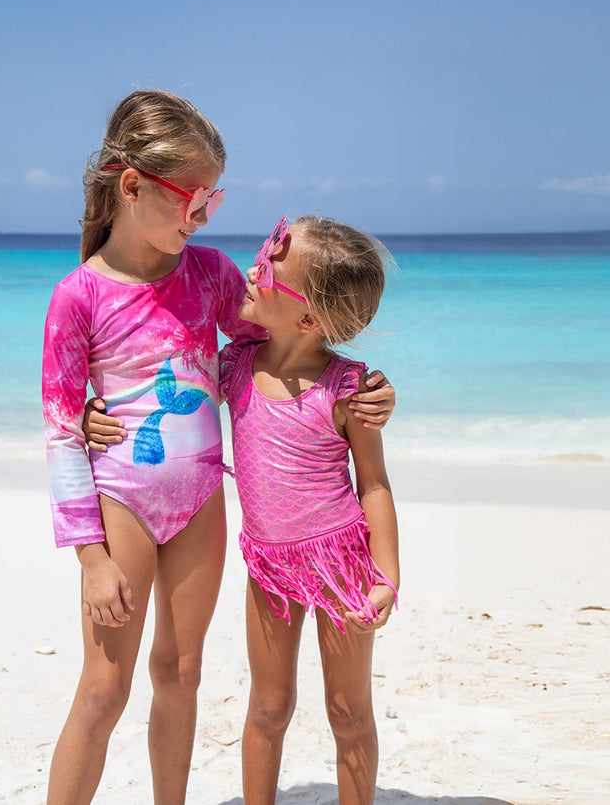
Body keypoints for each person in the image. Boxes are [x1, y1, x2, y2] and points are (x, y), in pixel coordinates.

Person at [41, 90, 395, 805]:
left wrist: (367, 392)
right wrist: (90, 556)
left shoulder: (207, 277)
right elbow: (58, 433)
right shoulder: (77, 297)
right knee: (105, 688)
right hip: (124, 505)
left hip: (202, 501)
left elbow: (291, 334)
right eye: (193, 201)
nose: (203, 219)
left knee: (181, 672)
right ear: (133, 185)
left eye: (213, 202)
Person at [220, 215, 400, 805]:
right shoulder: (234, 366)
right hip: (267, 564)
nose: (253, 270)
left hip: (342, 560)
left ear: (306, 318)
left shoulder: (347, 389)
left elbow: (373, 485)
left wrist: (387, 577)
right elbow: (160, 380)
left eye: (270, 267)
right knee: (268, 706)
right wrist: (96, 412)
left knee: (347, 711)